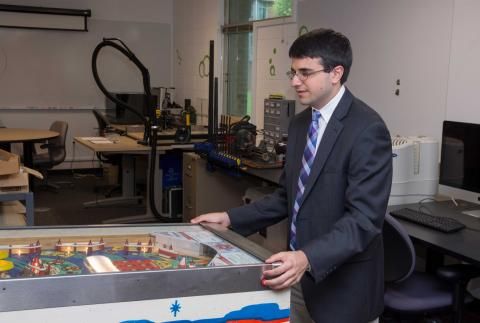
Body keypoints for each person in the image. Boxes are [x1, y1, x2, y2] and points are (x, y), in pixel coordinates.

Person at [191, 28, 392, 323]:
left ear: (336, 73)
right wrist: (231, 218)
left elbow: (364, 220)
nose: (295, 81)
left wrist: (307, 258)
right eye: (293, 72)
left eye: (305, 73)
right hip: (298, 278)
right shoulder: (300, 125)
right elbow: (287, 197)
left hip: (343, 289)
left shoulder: (367, 129)